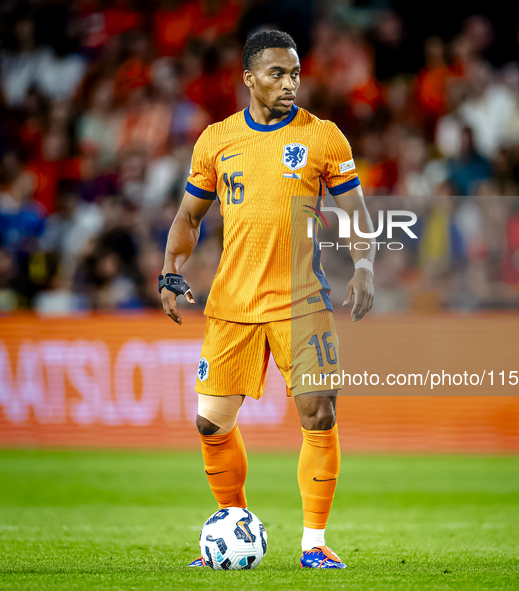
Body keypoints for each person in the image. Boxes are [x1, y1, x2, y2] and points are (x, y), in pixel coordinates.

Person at [159, 30, 375, 570]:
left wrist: (365, 265)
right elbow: (189, 217)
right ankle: (234, 523)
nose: (290, 83)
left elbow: (356, 213)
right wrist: (169, 271)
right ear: (249, 78)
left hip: (303, 299)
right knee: (210, 423)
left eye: (295, 73)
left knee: (319, 412)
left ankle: (314, 543)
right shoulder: (216, 140)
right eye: (277, 73)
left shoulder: (324, 138)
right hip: (233, 304)